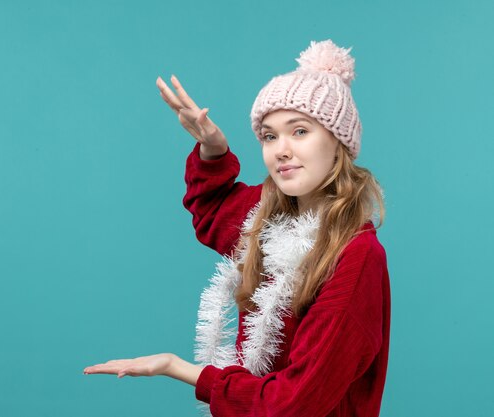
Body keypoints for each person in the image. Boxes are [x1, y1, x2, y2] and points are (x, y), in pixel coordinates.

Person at [83, 39, 391, 417]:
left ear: (338, 142)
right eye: (269, 135)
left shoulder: (356, 257)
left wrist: (180, 369)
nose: (281, 150)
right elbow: (212, 213)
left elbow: (294, 404)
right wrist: (213, 149)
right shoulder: (265, 217)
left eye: (299, 131)